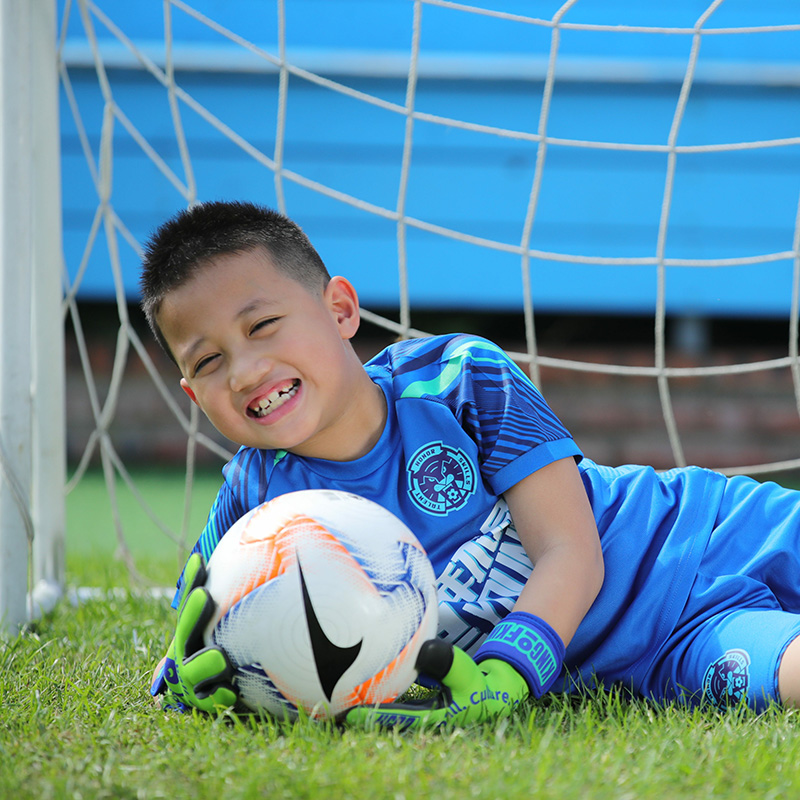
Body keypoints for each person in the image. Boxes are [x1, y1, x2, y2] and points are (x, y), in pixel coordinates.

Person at [142, 200, 800, 726]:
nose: (246, 371)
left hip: (705, 536)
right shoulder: (251, 510)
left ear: (340, 309)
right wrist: (192, 680)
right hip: (663, 652)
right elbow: (199, 633)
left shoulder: (459, 379)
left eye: (262, 326)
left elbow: (571, 551)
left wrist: (510, 671)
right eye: (208, 360)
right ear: (193, 394)